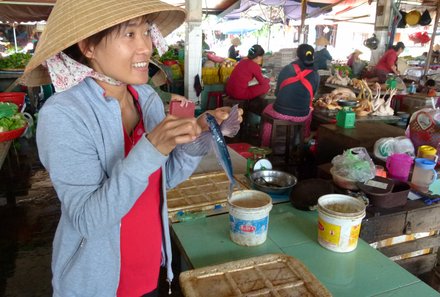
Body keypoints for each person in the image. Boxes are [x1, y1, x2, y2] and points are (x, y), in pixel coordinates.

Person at [21, 0, 242, 296]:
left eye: (146, 31)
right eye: (129, 34)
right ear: (88, 46)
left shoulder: (146, 98)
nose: (146, 47)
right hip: (99, 284)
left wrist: (200, 134)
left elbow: (162, 181)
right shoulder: (64, 115)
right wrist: (152, 148)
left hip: (152, 270)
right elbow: (88, 219)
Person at [260, 44, 320, 146]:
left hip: (280, 113)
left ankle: (265, 146)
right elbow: (312, 97)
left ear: (297, 54)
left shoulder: (287, 68)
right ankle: (301, 140)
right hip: (301, 116)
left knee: (266, 110)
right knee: (309, 112)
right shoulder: (316, 74)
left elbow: (277, 93)